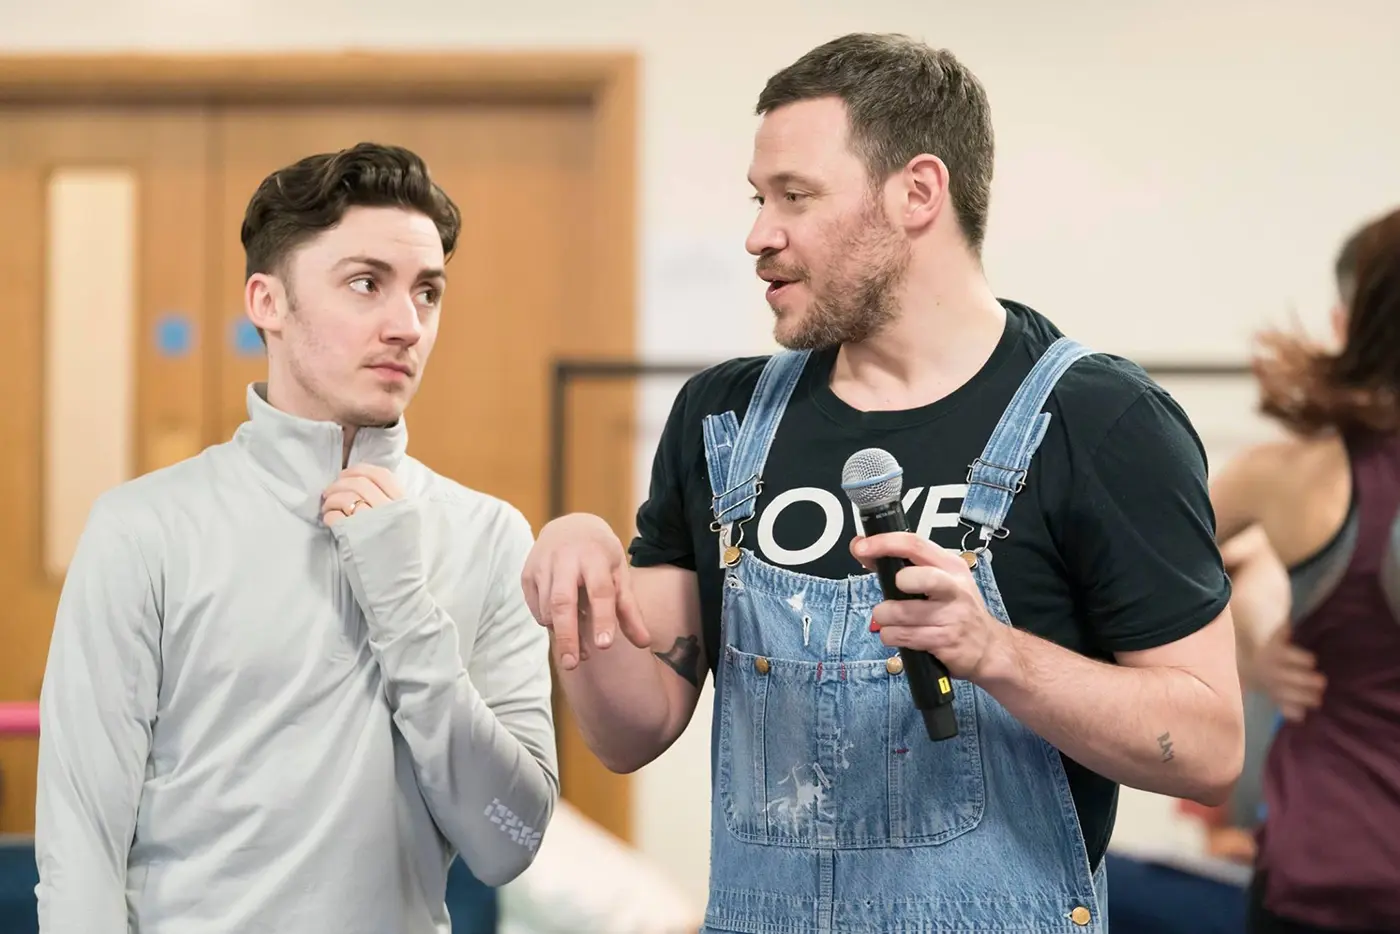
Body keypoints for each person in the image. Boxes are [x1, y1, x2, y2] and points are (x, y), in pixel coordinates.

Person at [523, 32, 1244, 934]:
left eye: (796, 197)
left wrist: (997, 655)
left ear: (918, 192)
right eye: (758, 198)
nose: (758, 235)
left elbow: (1210, 747)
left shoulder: (1101, 421)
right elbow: (631, 733)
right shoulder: (725, 419)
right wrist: (581, 588)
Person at [34, 142, 559, 932]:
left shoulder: (488, 536)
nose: (406, 325)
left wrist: (405, 611)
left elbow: (507, 843)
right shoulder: (144, 528)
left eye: (427, 292)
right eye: (364, 284)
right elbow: (80, 842)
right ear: (267, 303)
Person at [1211, 207, 1400, 934]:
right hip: (1333, 876)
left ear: (1349, 324)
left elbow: (1136, 579)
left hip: (1332, 877)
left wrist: (1246, 640)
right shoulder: (1296, 477)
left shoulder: (1292, 478)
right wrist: (1247, 639)